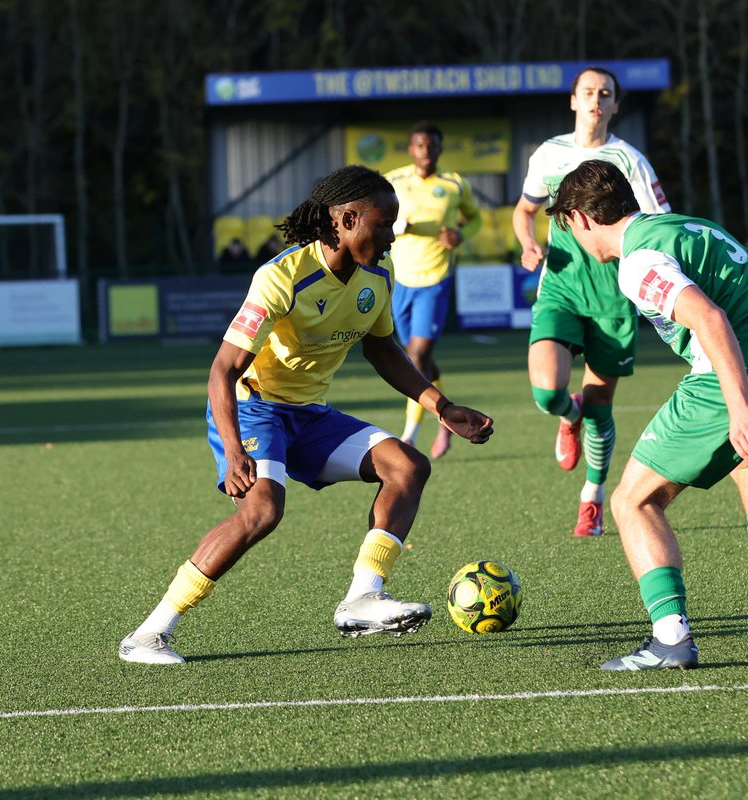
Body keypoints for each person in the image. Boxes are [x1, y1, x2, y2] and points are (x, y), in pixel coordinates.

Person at [118, 165, 494, 665]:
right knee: (262, 511)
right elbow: (223, 370)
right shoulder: (281, 276)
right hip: (255, 412)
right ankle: (148, 634)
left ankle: (362, 598)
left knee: (407, 465)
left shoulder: (378, 278)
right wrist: (233, 451)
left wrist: (442, 407)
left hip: (309, 415)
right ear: (345, 219)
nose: (392, 235)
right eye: (383, 224)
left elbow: (384, 351)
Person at [546, 159, 748, 670]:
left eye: (567, 228)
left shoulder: (637, 260)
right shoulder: (688, 227)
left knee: (634, 502)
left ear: (580, 219)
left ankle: (670, 638)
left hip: (746, 377)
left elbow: (709, 316)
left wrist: (739, 405)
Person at [512, 66, 672, 538]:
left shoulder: (630, 161)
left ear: (616, 105)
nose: (597, 100)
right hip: (560, 287)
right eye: (589, 92)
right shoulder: (549, 154)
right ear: (574, 100)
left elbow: (657, 226)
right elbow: (525, 210)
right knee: (547, 391)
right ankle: (568, 416)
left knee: (602, 406)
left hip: (614, 298)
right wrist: (527, 243)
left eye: (606, 93)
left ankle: (592, 500)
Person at [385, 122, 482, 459]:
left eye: (432, 146)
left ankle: (409, 434)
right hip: (400, 282)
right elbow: (380, 219)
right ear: (411, 149)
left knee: (415, 358)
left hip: (435, 280)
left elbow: (475, 219)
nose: (426, 151)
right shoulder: (393, 182)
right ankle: (448, 417)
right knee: (421, 360)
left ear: (440, 149)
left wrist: (461, 235)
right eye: (420, 146)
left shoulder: (454, 184)